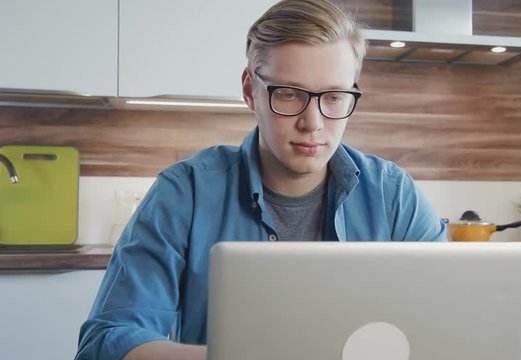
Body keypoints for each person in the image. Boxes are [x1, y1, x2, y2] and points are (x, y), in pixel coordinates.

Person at [75, 0, 446, 359]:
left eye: (333, 97)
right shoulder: (184, 193)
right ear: (250, 90)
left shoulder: (393, 194)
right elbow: (107, 343)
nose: (313, 123)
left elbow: (449, 320)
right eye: (288, 94)